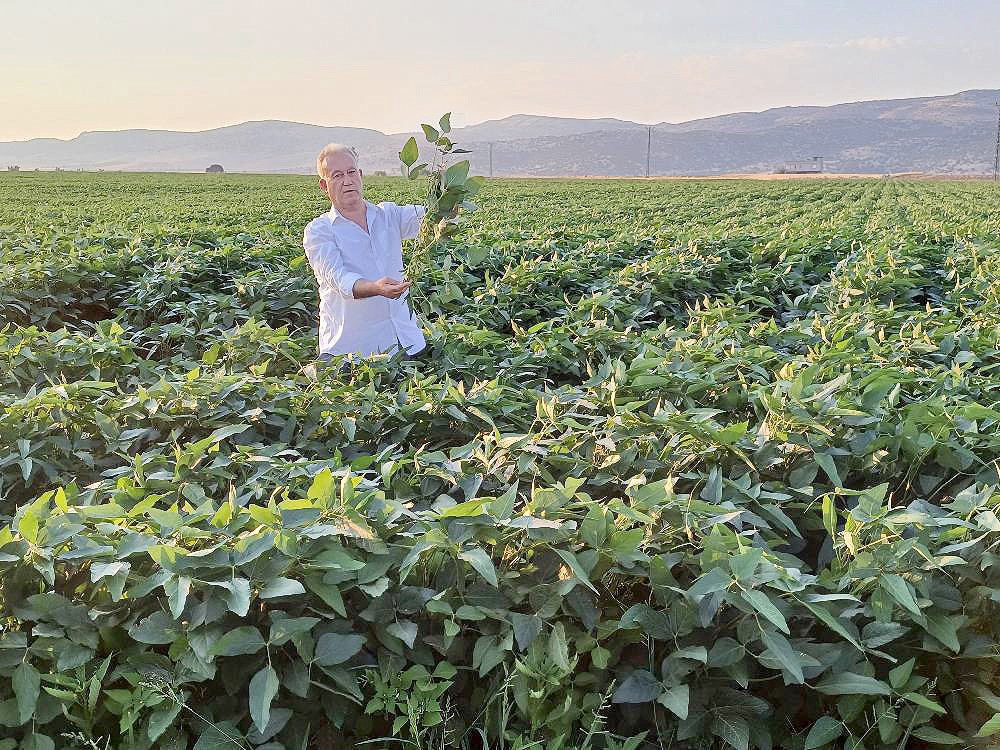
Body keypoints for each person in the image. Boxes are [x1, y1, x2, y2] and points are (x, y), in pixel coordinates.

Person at [302, 143, 427, 362]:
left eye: (351, 172)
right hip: (350, 353)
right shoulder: (319, 231)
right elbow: (337, 278)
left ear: (360, 175)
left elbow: (436, 217)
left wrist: (447, 191)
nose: (347, 180)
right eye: (337, 175)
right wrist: (375, 288)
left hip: (406, 344)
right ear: (324, 185)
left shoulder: (389, 215)